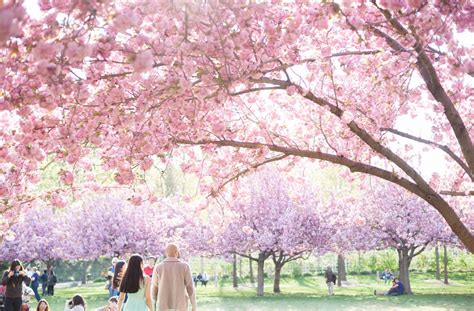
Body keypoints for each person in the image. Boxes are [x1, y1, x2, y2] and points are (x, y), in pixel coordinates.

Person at [151, 243, 197, 311]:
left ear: (166, 253)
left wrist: (154, 303)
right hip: (180, 305)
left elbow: (154, 287)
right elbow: (190, 287)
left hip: (162, 305)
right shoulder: (185, 267)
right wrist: (194, 305)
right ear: (176, 252)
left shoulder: (158, 267)